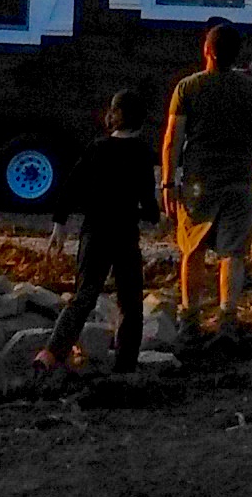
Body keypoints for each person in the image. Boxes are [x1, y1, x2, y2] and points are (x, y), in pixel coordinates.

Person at [160, 20, 252, 337]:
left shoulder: (187, 88)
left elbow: (172, 138)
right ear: (236, 55)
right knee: (232, 253)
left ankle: (190, 316)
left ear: (207, 51)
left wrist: (168, 182)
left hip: (198, 183)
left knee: (192, 250)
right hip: (239, 181)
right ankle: (227, 318)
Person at [42, 88, 154, 376]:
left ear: (115, 116)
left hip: (94, 234)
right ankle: (125, 366)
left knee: (84, 296)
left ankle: (52, 353)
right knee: (130, 301)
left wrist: (60, 223)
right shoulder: (142, 153)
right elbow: (148, 201)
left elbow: (70, 186)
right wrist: (153, 215)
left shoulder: (97, 148)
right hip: (125, 236)